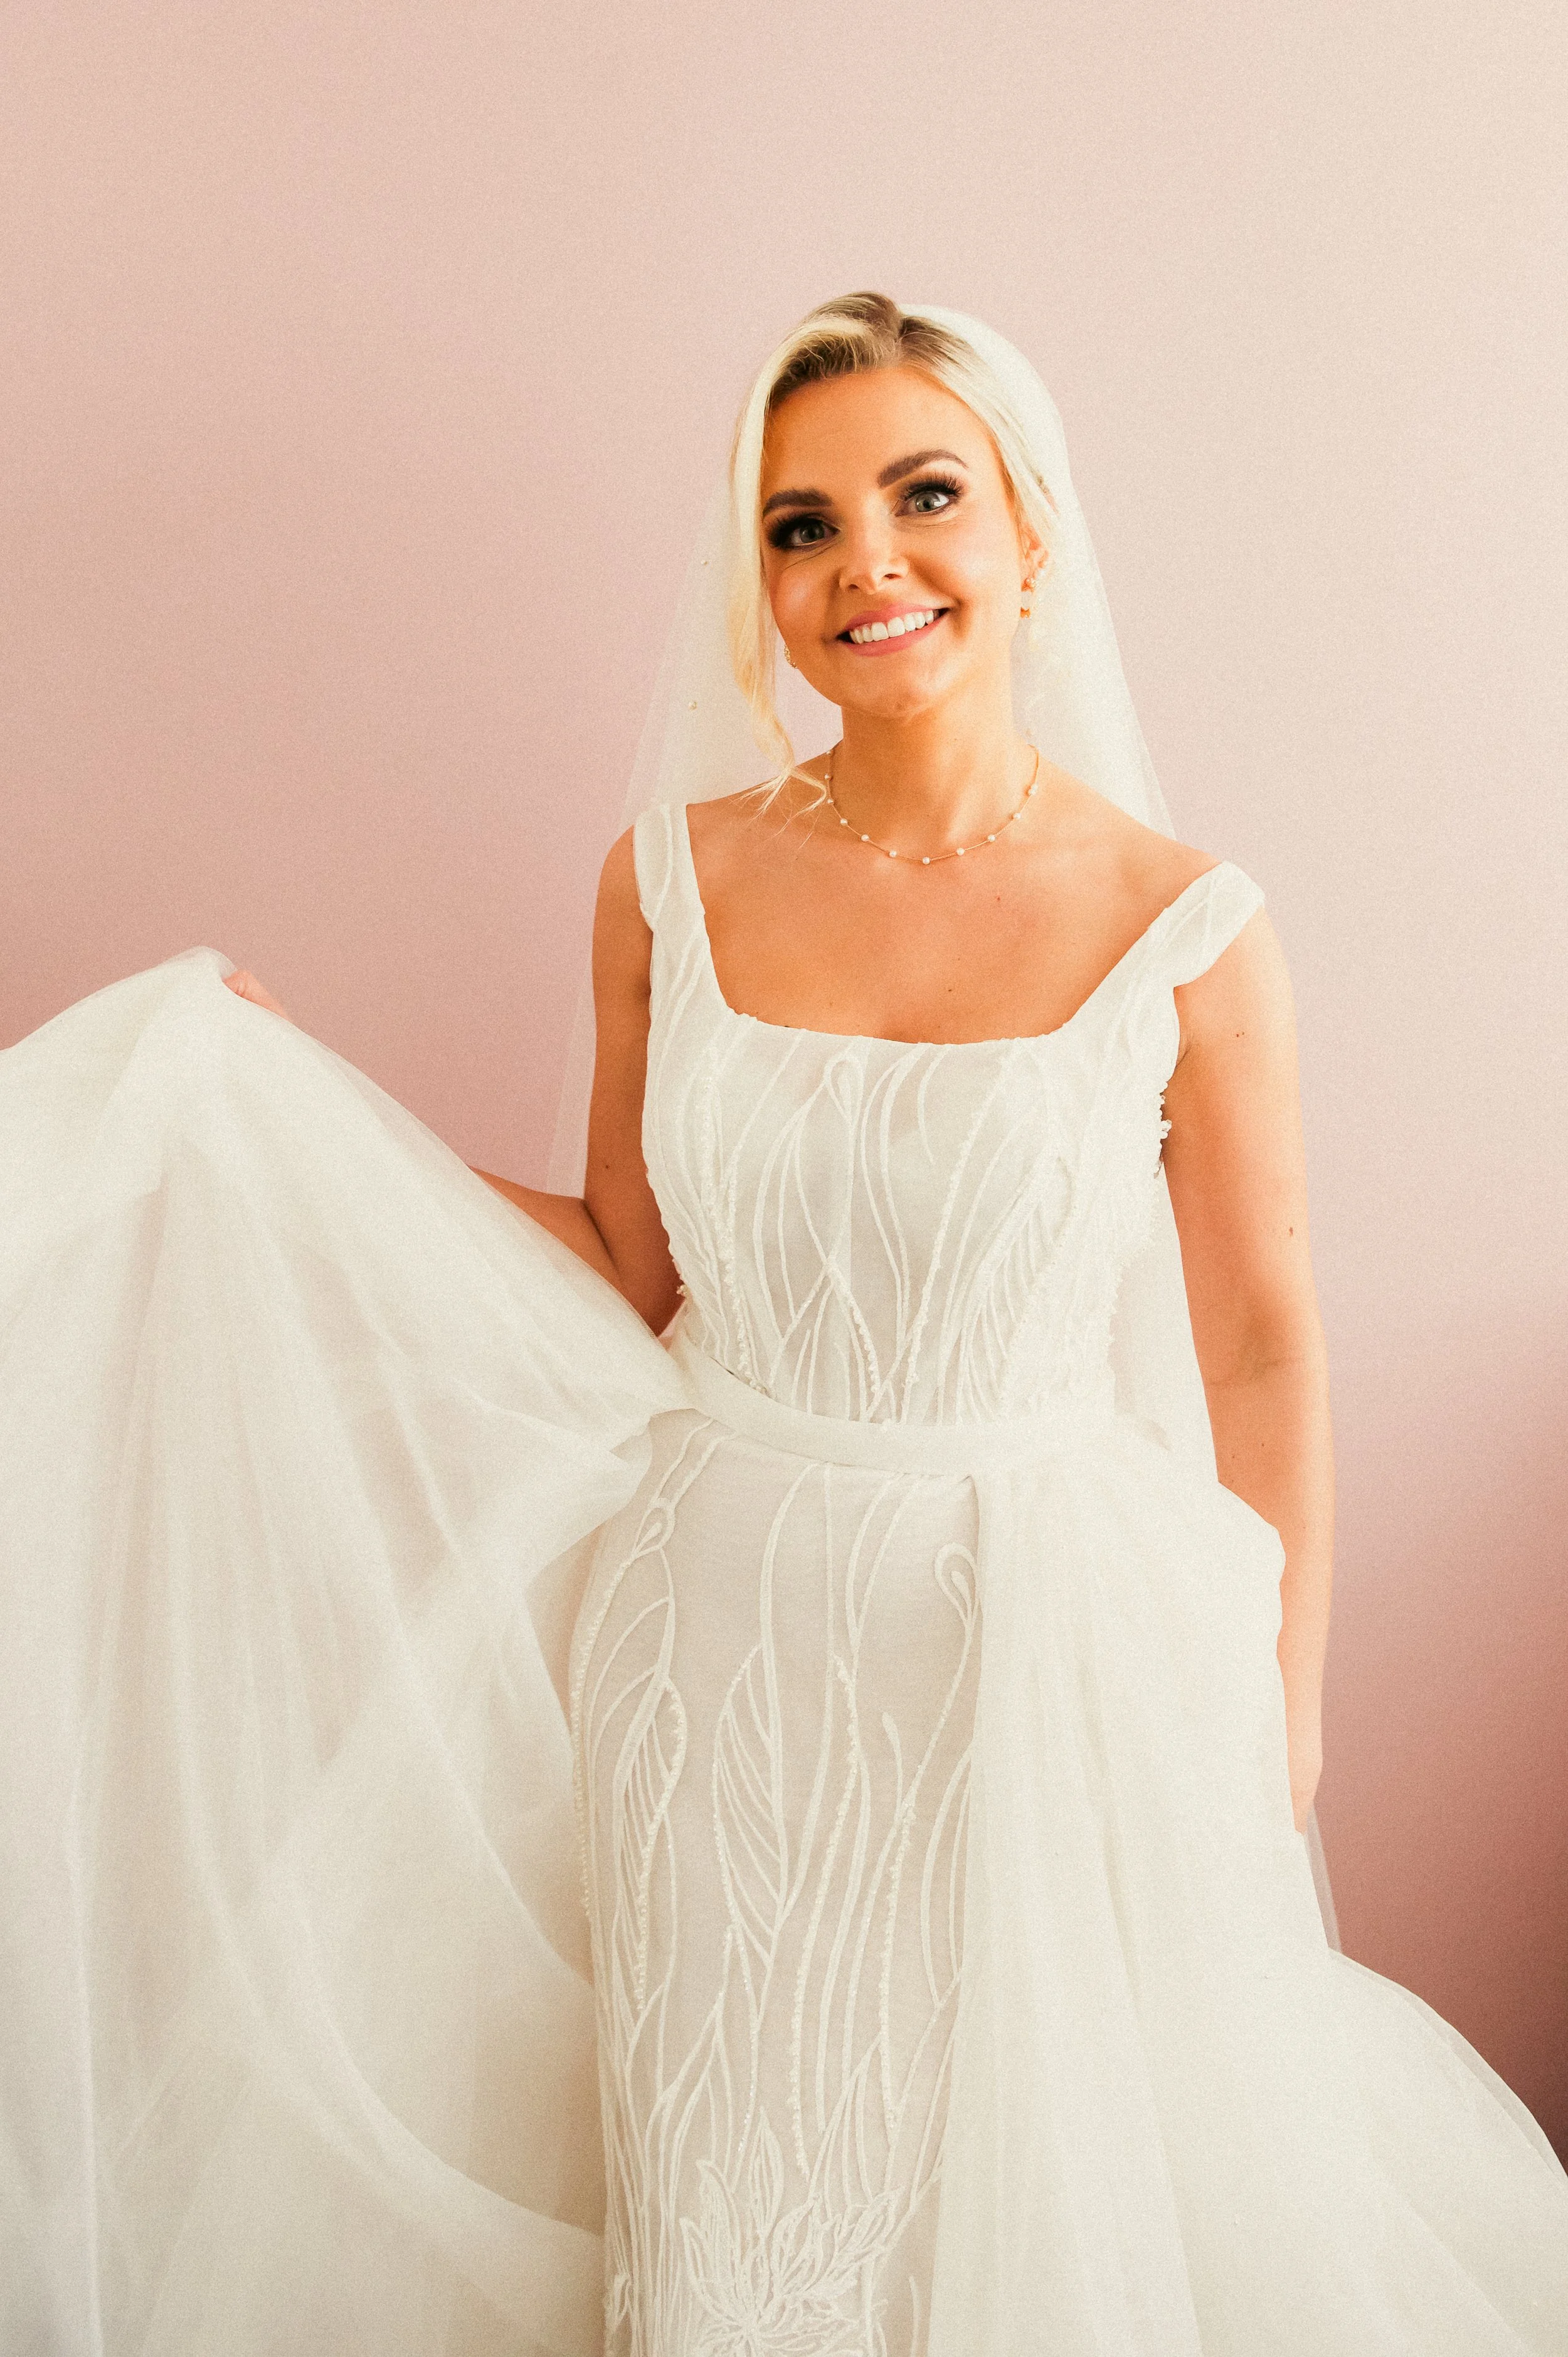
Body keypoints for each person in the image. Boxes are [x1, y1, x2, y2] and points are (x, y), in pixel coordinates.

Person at [3, 295, 1564, 2357]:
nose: (865, 564)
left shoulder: (1186, 926)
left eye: (924, 497)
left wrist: (1280, 1702)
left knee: (1028, 2186)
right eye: (799, 525)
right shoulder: (668, 879)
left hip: (1043, 1642)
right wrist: (302, 1102)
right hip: (716, 1638)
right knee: (741, 2185)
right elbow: (629, 1262)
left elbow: (1265, 1341)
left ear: (1028, 529)